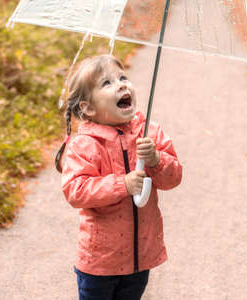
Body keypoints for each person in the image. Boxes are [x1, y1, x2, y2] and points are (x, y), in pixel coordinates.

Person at [54, 54, 183, 300]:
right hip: (99, 262)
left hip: (139, 257)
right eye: (107, 83)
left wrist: (156, 160)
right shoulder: (86, 144)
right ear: (88, 107)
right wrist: (122, 184)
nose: (121, 84)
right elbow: (75, 190)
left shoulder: (149, 133)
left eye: (123, 77)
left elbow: (173, 178)